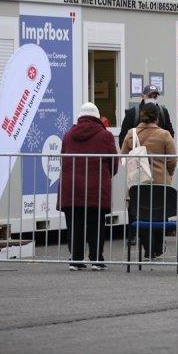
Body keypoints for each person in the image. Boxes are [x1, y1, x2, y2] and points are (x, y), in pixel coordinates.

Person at [57, 102, 118, 271]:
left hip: (71, 189)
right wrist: (105, 176)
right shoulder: (105, 136)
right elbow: (114, 162)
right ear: (97, 117)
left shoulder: (68, 134)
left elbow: (63, 159)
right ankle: (96, 259)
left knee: (74, 225)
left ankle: (75, 260)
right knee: (96, 224)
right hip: (95, 188)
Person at [120, 103, 178, 259]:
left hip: (138, 182)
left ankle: (147, 249)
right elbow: (173, 160)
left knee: (142, 214)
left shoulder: (131, 134)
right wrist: (169, 173)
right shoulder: (165, 135)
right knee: (159, 214)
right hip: (160, 182)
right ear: (157, 117)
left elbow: (123, 154)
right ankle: (157, 249)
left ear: (141, 116)